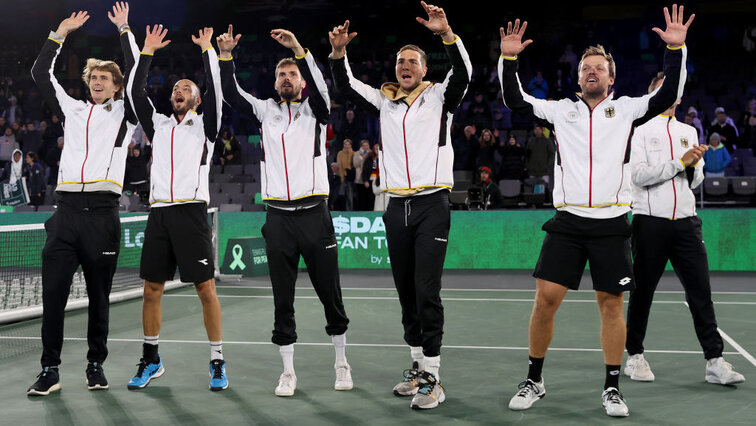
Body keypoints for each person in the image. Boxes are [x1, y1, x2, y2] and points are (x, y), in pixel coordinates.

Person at [498, 5, 693, 417]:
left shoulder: (627, 110)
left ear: (611, 77)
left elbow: (667, 94)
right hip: (568, 221)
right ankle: (534, 378)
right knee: (545, 300)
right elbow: (514, 99)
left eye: (599, 67)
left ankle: (611, 387)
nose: (591, 72)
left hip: (611, 222)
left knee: (611, 303)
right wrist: (509, 58)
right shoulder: (559, 111)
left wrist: (675, 51)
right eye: (586, 67)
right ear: (578, 75)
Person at [329, 0, 472, 410]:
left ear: (425, 69)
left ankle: (434, 378)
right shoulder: (385, 102)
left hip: (431, 204)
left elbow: (464, 72)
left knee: (427, 290)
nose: (405, 66)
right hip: (395, 208)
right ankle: (416, 366)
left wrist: (446, 34)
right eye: (399, 62)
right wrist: (339, 54)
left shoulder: (441, 96)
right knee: (406, 292)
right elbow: (345, 87)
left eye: (412, 61)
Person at [217, 25, 351, 396]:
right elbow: (231, 93)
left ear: (302, 82)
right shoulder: (264, 111)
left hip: (314, 215)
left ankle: (341, 363)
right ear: (275, 84)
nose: (287, 78)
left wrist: (299, 49)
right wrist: (226, 57)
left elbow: (327, 89)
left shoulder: (315, 111)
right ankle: (288, 373)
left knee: (330, 294)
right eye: (281, 75)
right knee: (282, 298)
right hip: (277, 218)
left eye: (292, 74)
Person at [26, 3, 139, 396]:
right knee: (53, 297)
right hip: (66, 214)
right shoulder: (72, 110)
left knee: (99, 299)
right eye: (93, 76)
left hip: (102, 216)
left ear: (116, 85)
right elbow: (40, 73)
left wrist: (124, 29)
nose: (97, 81)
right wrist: (59, 32)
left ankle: (95, 365)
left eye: (105, 77)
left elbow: (138, 75)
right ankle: (49, 369)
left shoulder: (126, 114)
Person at [625, 74, 745, 386]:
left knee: (701, 293)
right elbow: (637, 177)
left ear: (679, 97)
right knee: (643, 293)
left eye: (675, 90)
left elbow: (696, 181)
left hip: (687, 223)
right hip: (649, 222)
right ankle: (634, 356)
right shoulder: (640, 132)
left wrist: (693, 166)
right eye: (663, 89)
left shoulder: (689, 131)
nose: (671, 94)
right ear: (653, 94)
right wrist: (680, 162)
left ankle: (714, 361)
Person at [125, 24, 227, 392]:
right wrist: (146, 51)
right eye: (175, 89)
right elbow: (134, 90)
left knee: (205, 290)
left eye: (187, 89)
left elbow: (217, 90)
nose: (179, 91)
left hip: (191, 213)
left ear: (197, 100)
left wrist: (207, 51)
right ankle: (151, 359)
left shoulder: (207, 126)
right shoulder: (158, 124)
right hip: (159, 214)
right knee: (151, 290)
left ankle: (217, 360)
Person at [337, 139, 356, 210]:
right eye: (345, 144)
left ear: (351, 145)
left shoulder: (354, 153)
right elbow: (339, 165)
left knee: (350, 195)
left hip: (351, 178)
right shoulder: (340, 153)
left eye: (348, 144)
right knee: (341, 194)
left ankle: (349, 211)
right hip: (342, 176)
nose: (347, 146)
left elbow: (354, 165)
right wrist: (341, 177)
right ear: (343, 145)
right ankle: (342, 210)